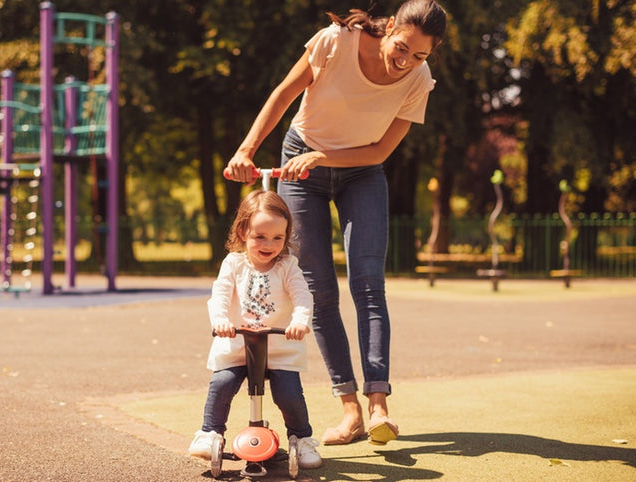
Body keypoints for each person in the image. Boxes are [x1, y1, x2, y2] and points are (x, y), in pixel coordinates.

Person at [225, 0, 447, 446]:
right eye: (402, 47)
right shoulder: (335, 43)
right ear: (389, 29)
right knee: (319, 290)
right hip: (299, 166)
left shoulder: (418, 81)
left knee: (368, 283)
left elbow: (380, 152)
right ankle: (350, 410)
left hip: (362, 171)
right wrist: (247, 149)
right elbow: (284, 94)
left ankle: (379, 404)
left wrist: (326, 157)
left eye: (419, 56)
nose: (405, 61)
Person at [188, 189, 322, 469]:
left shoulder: (288, 266)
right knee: (222, 384)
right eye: (260, 236)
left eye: (277, 237)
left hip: (280, 348)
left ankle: (302, 437)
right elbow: (220, 295)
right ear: (242, 231)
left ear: (286, 237)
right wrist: (221, 320)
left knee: (288, 394)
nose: (268, 244)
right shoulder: (234, 264)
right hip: (237, 345)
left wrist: (300, 321)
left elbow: (302, 295)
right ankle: (210, 431)